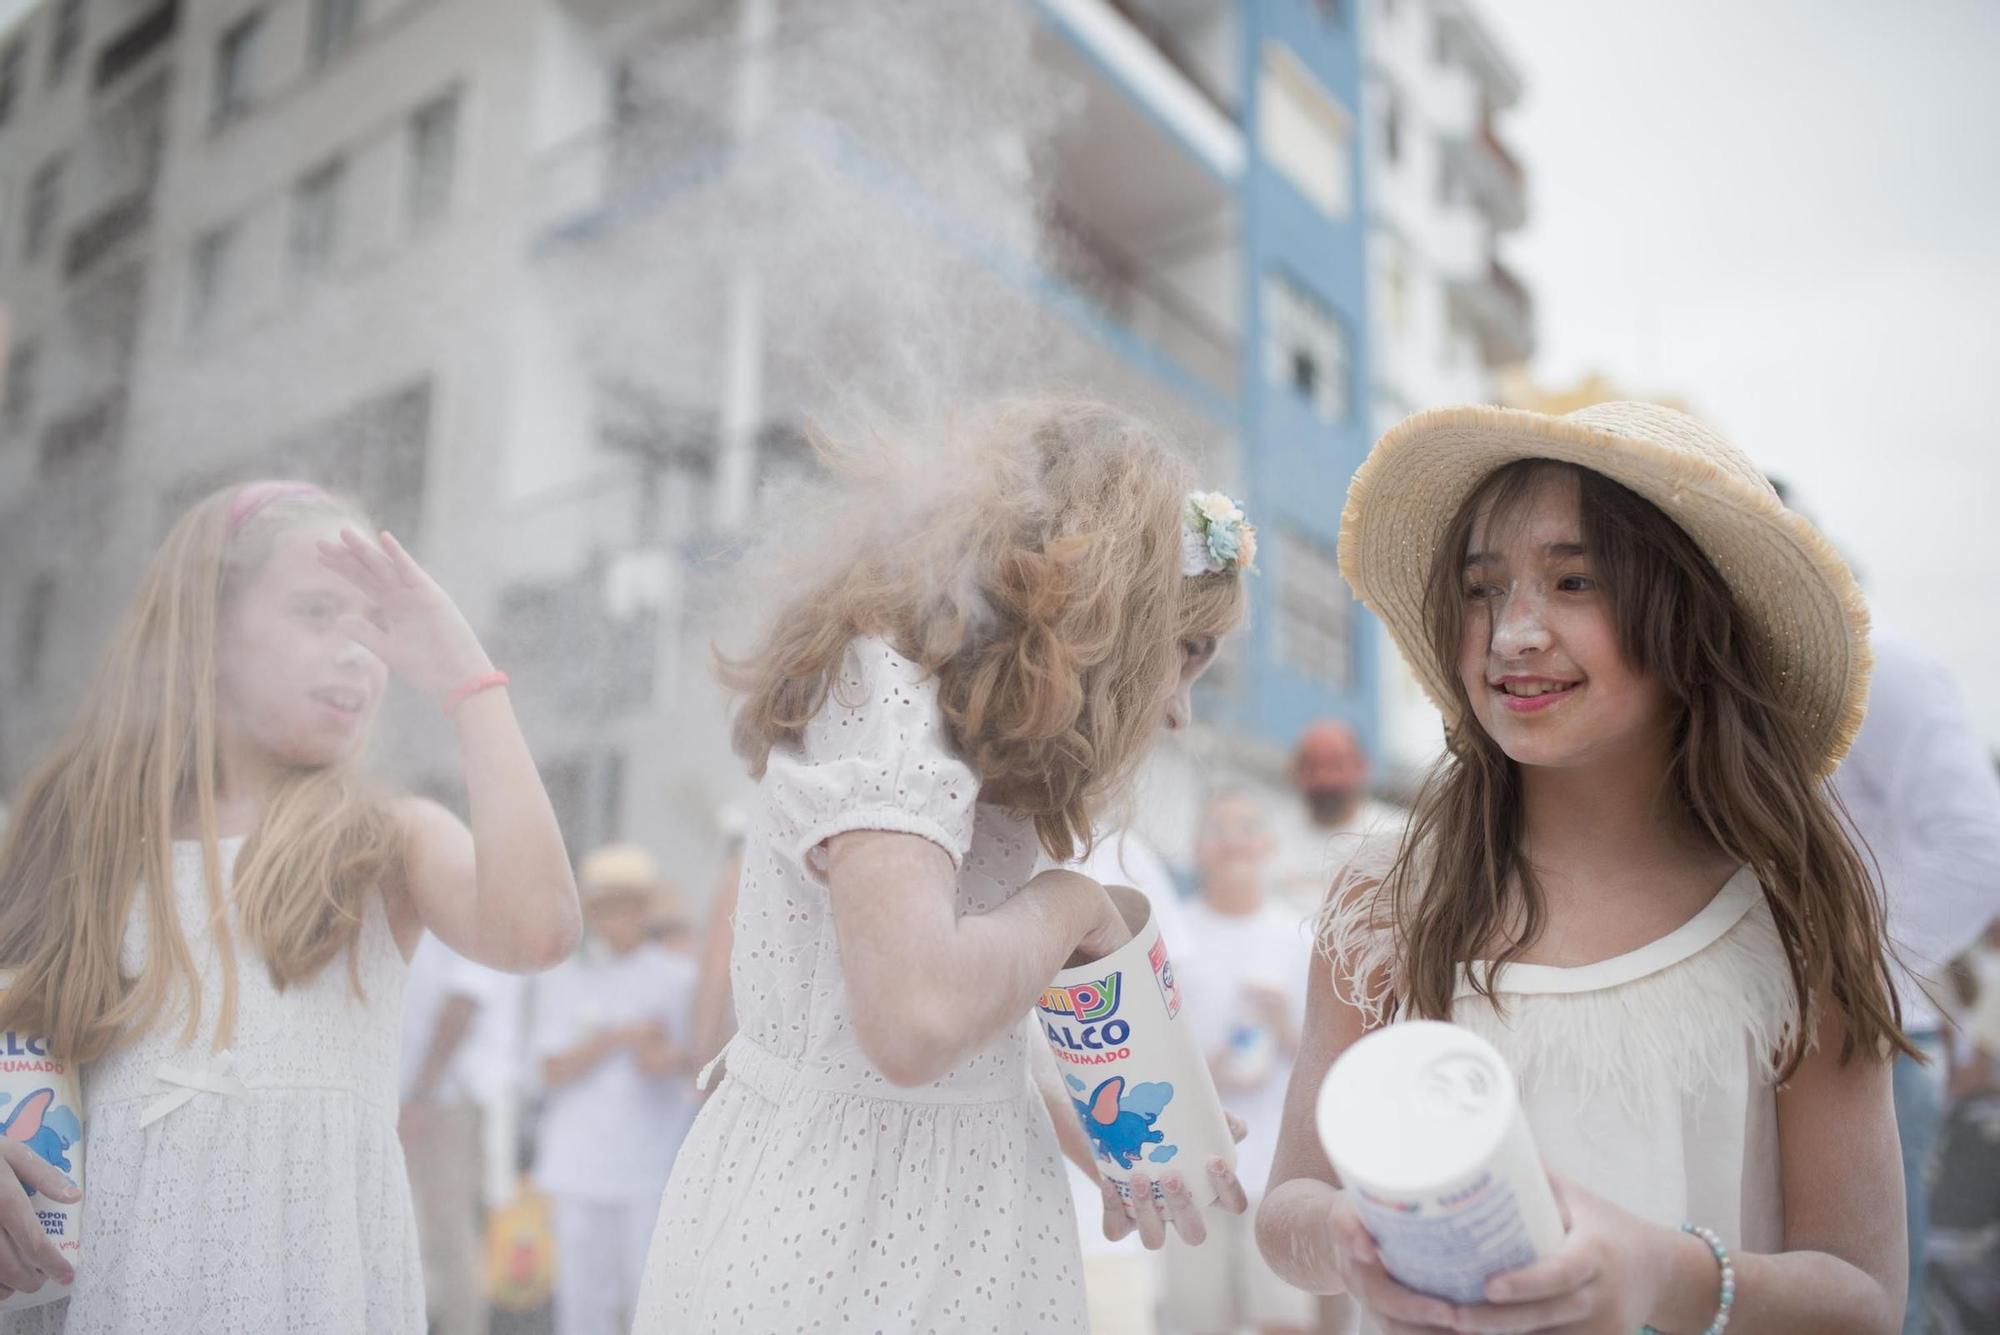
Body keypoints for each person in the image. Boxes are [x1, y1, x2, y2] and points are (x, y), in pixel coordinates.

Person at [1257, 403, 1911, 1333]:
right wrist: (1347, 1233)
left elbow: (1867, 1299)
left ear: (1688, 621)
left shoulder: (1790, 923)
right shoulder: (1387, 900)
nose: (1515, 632)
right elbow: (1287, 1210)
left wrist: (1668, 1273)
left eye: (1573, 581)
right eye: (1482, 589)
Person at [633, 401, 1256, 1331]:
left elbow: (936, 1042)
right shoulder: (886, 693)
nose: (1178, 709)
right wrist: (1070, 900)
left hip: (962, 1217)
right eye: (1187, 651)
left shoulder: (985, 733)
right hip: (843, 1227)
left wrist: (1075, 1117)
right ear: (1113, 605)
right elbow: (913, 1020)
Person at [0, 481, 578, 1331]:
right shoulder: (75, 828)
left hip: (315, 1282)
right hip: (113, 1279)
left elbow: (539, 929)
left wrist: (469, 679)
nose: (358, 652)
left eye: (373, 627)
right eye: (318, 612)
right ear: (208, 630)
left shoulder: (386, 834)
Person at [1828, 629, 2000, 1334]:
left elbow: (1976, 848)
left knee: (1874, 1315)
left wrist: (1831, 982)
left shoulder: (1875, 670)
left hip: (1870, 1048)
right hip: (1763, 1049)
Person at [1160, 791, 1315, 1335]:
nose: (1232, 843)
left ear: (1269, 844)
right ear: (1196, 851)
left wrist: (1282, 1028)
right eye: (1217, 831)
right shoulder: (1172, 936)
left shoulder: (1298, 936)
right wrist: (1207, 1073)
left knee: (1285, 1320)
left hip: (1276, 1166)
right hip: (1190, 1167)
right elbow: (1153, 1055)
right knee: (1195, 1321)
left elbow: (1324, 1058)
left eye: (1246, 827)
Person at [531, 844, 698, 1335]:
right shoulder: (566, 977)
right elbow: (551, 1069)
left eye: (628, 905)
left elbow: (700, 1059)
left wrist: (662, 1057)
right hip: (579, 1161)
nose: (616, 917)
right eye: (606, 906)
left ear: (645, 911)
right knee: (582, 1304)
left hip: (649, 1161)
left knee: (650, 1297)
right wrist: (618, 1038)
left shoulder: (679, 979)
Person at [402, 932, 523, 1335]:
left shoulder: (472, 908)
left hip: (447, 1098)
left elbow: (463, 1005)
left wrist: (421, 1093)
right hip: (419, 1097)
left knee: (449, 1234)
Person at [1270, 721, 1406, 924]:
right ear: (1294, 771)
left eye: (1336, 765)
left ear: (1362, 766)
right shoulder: (1266, 837)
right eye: (1312, 766)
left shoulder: (1400, 836)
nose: (1324, 778)